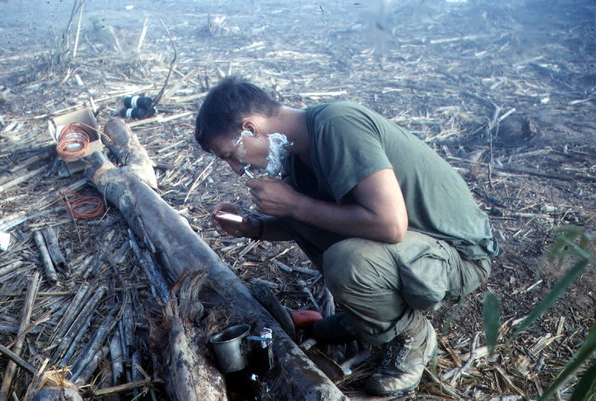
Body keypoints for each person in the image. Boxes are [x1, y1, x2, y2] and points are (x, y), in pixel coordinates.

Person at [194, 76, 500, 396]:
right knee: (308, 220)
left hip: (459, 256)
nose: (234, 167)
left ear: (250, 129)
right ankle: (366, 316)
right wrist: (253, 226)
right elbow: (314, 219)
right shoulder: (297, 156)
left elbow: (390, 224)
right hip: (414, 247)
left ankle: (412, 335)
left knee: (346, 261)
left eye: (229, 154)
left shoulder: (337, 126)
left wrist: (294, 204)